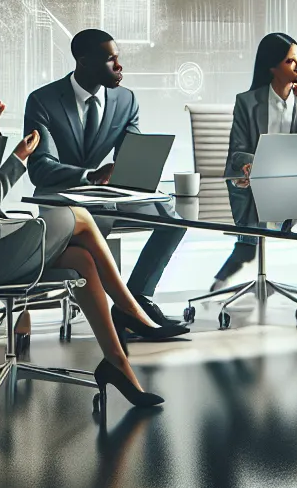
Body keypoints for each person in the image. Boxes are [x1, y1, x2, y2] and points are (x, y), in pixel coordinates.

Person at [0, 24, 184, 410]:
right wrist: (19, 157)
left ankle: (117, 363)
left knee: (83, 259)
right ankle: (132, 310)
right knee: (80, 217)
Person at [23, 29, 186, 329]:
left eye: (118, 58)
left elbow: (130, 155)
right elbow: (40, 167)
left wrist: (136, 170)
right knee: (94, 227)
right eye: (111, 60)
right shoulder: (43, 101)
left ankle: (137, 300)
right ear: (83, 62)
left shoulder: (125, 100)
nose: (119, 66)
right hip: (62, 199)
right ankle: (120, 313)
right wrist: (89, 175)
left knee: (173, 219)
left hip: (106, 198)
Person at [210, 32, 297, 289]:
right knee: (250, 243)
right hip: (254, 188)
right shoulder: (248, 102)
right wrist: (254, 162)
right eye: (290, 61)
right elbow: (237, 151)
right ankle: (223, 279)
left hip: (295, 189)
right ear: (272, 67)